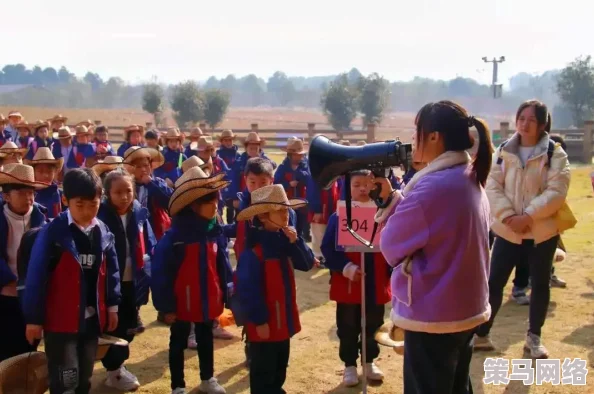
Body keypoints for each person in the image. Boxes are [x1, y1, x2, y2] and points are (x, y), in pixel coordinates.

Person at [375, 100, 493, 394]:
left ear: (433, 137)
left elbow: (391, 247)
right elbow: (436, 229)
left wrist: (397, 206)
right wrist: (395, 201)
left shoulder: (431, 188)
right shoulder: (467, 178)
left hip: (434, 317)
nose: (413, 140)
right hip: (464, 311)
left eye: (417, 131)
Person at [474, 100, 570, 359]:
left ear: (542, 125)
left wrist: (528, 216)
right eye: (521, 118)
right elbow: (492, 185)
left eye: (531, 119)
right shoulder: (504, 150)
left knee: (540, 284)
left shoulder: (555, 154)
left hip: (542, 233)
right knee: (494, 283)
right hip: (508, 231)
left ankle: (534, 337)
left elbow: (557, 191)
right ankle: (481, 334)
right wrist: (509, 216)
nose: (524, 124)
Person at [23, 168, 121, 394]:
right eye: (80, 205)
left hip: (91, 319)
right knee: (65, 378)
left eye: (93, 204)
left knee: (85, 375)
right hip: (60, 321)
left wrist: (113, 306)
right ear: (65, 200)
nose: (87, 211)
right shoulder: (53, 233)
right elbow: (36, 276)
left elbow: (112, 271)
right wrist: (34, 319)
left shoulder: (103, 231)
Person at [152, 166, 232, 394]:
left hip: (208, 299)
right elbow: (161, 274)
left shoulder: (214, 231)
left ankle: (208, 379)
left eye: (216, 200)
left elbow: (222, 265)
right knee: (177, 342)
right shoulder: (174, 238)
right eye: (210, 201)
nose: (216, 206)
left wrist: (225, 293)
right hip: (181, 303)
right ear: (193, 205)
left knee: (206, 339)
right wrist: (166, 306)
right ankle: (178, 386)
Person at [236, 184, 315, 394]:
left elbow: (307, 264)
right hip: (264, 324)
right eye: (279, 210)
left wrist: (296, 241)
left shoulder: (285, 242)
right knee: (263, 371)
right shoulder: (254, 253)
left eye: (286, 209)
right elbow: (248, 291)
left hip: (283, 322)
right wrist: (260, 320)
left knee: (280, 367)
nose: (286, 214)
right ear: (262, 216)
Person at [321, 169, 390, 387]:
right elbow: (328, 250)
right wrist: (346, 267)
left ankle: (369, 361)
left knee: (374, 323)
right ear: (347, 188)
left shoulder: (383, 213)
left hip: (375, 281)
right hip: (348, 282)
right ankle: (349, 365)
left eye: (366, 184)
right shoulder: (338, 216)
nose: (362, 188)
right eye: (356, 184)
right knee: (348, 324)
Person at [97, 168, 156, 391]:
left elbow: (148, 240)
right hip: (111, 282)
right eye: (118, 192)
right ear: (107, 194)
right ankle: (114, 370)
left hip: (134, 279)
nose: (124, 196)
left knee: (129, 325)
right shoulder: (101, 215)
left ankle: (117, 365)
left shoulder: (139, 211)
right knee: (114, 326)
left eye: (128, 191)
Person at [0, 163, 47, 362]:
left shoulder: (40, 217)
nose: (29, 198)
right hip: (5, 291)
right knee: (6, 344)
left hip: (31, 291)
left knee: (29, 343)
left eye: (32, 193)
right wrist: (8, 281)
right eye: (22, 193)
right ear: (7, 196)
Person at [123, 146, 172, 241]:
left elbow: (170, 201)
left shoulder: (157, 183)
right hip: (133, 232)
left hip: (155, 231)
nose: (143, 170)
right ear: (130, 168)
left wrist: (151, 184)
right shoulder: (126, 186)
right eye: (138, 166)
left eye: (146, 165)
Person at [274, 138, 311, 241]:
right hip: (287, 203)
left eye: (301, 155)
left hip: (302, 203)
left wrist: (299, 174)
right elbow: (276, 183)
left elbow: (309, 178)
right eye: (297, 155)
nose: (299, 157)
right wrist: (288, 184)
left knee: (300, 227)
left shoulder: (305, 166)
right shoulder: (282, 168)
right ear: (290, 155)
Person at [27, 147, 64, 219]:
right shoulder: (29, 192)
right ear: (33, 172)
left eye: (49, 171)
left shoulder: (56, 191)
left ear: (54, 172)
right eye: (40, 171)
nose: (46, 175)